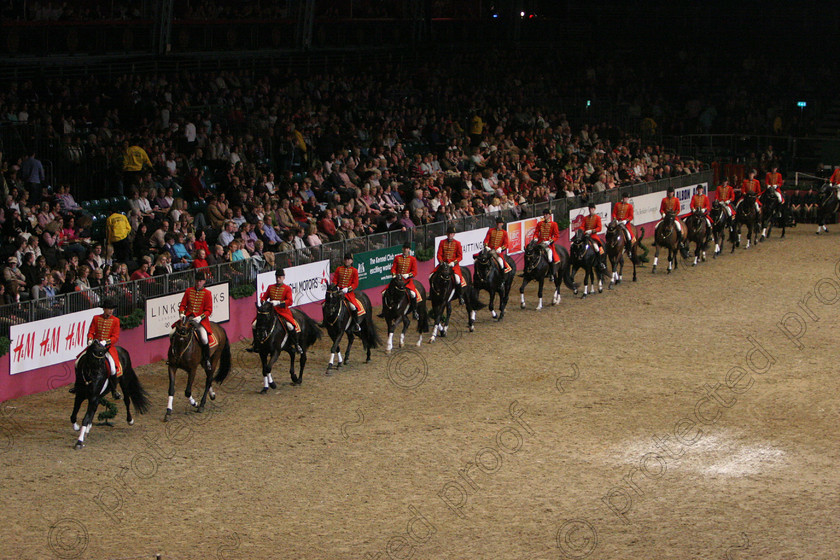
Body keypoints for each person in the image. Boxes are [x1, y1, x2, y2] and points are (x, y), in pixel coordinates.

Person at [82, 297, 122, 400]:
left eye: (112, 309)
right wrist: (90, 339)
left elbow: (115, 337)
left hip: (107, 348)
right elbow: (91, 331)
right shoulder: (96, 318)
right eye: (109, 309)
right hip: (95, 346)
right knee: (78, 362)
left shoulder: (116, 321)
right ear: (104, 309)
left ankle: (114, 390)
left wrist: (106, 342)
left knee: (113, 368)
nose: (110, 311)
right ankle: (79, 385)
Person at [257, 269, 303, 354]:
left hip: (282, 311)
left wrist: (278, 302)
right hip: (271, 312)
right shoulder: (270, 287)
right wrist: (264, 302)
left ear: (283, 278)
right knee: (255, 324)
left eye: (280, 277)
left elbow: (290, 301)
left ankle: (296, 344)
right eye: (277, 277)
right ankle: (256, 344)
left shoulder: (287, 288)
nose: (278, 279)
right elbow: (264, 297)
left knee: (291, 326)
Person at [175, 271, 214, 371]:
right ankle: (173, 356)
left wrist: (200, 317)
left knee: (204, 338)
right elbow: (183, 305)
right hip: (187, 319)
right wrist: (182, 313)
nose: (198, 283)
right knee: (172, 334)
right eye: (197, 280)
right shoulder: (188, 291)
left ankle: (207, 360)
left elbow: (209, 310)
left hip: (199, 321)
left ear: (204, 282)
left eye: (200, 281)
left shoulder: (207, 293)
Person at [331, 254, 364, 333]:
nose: (347, 261)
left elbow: (355, 284)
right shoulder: (339, 269)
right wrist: (336, 286)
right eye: (345, 259)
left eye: (348, 259)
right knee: (326, 304)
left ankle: (356, 323)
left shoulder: (354, 271)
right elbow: (335, 279)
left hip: (348, 294)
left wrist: (348, 289)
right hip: (338, 291)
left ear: (351, 261)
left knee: (353, 307)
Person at [390, 242, 421, 319]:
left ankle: (414, 311)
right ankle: (386, 310)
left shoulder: (412, 259)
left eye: (407, 248)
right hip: (397, 280)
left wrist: (408, 275)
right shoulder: (397, 257)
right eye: (404, 248)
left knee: (413, 294)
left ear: (409, 250)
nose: (405, 250)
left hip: (407, 281)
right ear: (402, 249)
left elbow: (415, 272)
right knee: (385, 292)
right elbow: (393, 268)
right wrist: (394, 274)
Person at [438, 227, 466, 304]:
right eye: (449, 234)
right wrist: (441, 262)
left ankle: (460, 296)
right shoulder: (442, 242)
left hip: (453, 265)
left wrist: (454, 262)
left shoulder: (457, 243)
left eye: (451, 234)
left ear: (453, 234)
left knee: (457, 279)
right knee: (432, 276)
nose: (450, 235)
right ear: (447, 234)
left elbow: (460, 256)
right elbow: (439, 254)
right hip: (443, 265)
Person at [578, 203, 608, 272]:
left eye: (592, 209)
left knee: (596, 248)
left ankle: (600, 262)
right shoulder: (585, 218)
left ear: (594, 209)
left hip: (593, 236)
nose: (591, 210)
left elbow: (599, 228)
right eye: (590, 209)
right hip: (585, 236)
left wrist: (592, 231)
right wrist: (582, 230)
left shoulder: (597, 218)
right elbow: (582, 226)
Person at [534, 208, 561, 279]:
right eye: (544, 214)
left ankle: (551, 273)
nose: (545, 216)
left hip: (548, 245)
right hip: (540, 243)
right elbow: (536, 232)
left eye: (546, 214)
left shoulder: (553, 224)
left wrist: (550, 241)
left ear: (549, 215)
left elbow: (556, 236)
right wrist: (535, 238)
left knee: (549, 258)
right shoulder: (540, 224)